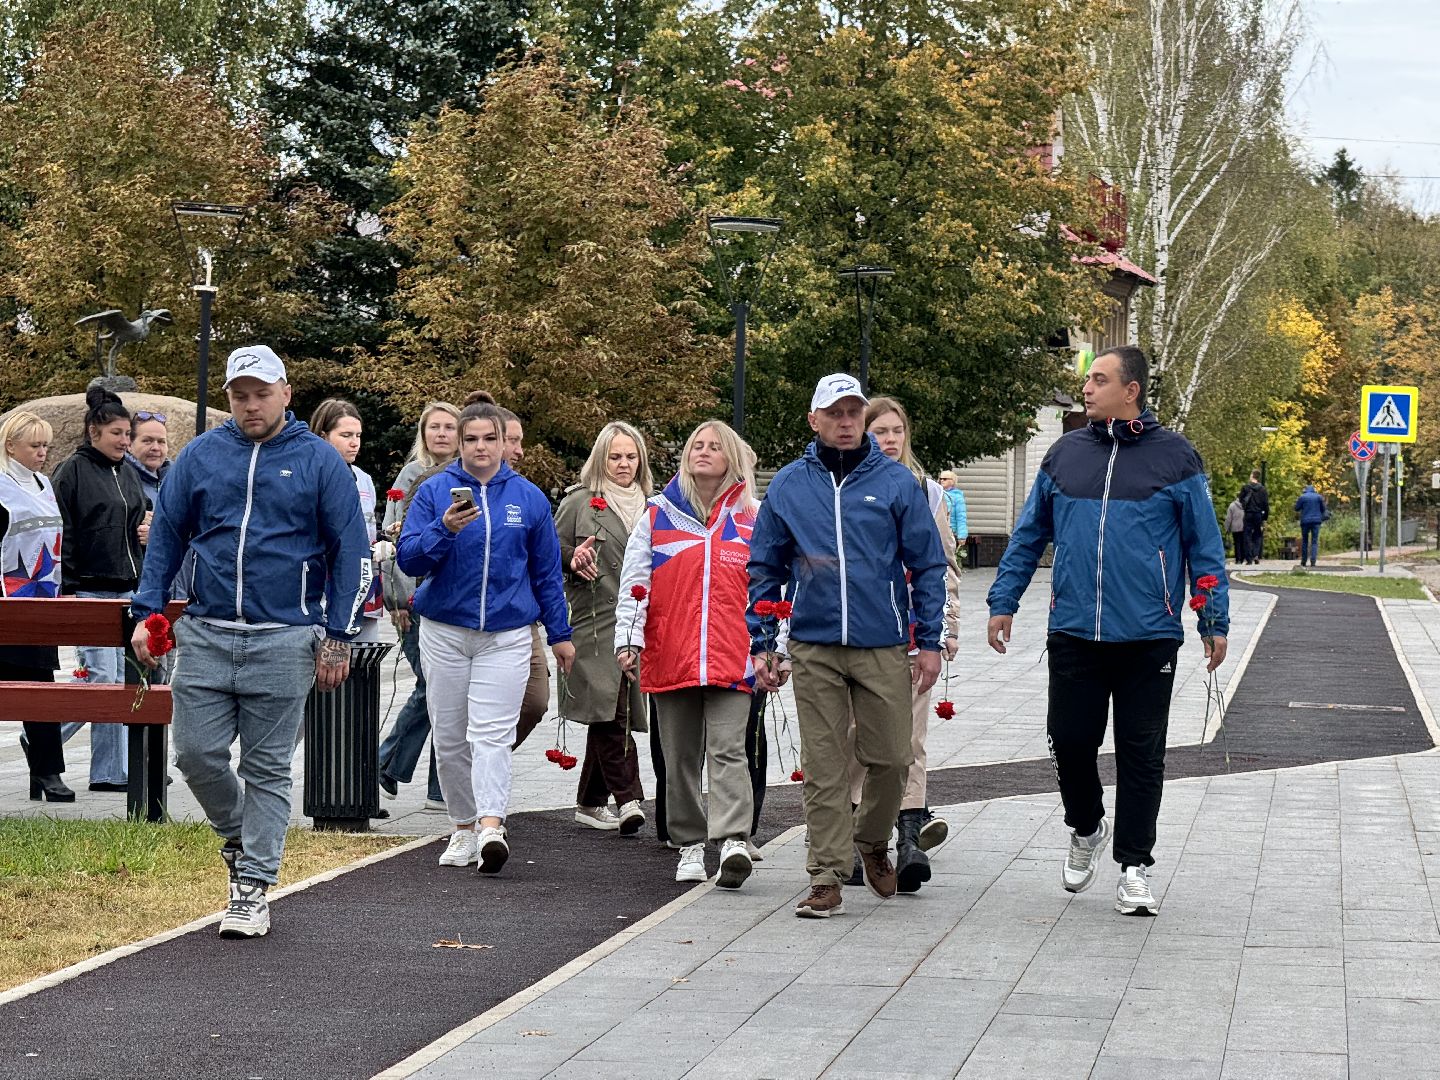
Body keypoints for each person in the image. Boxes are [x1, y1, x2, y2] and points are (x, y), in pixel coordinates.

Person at [131, 344, 372, 939]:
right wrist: (146, 610)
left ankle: (253, 886)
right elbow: (166, 535)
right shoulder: (202, 456)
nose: (250, 405)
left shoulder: (319, 461)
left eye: (261, 393)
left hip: (285, 636)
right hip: (207, 632)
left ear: (286, 393)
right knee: (195, 755)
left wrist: (338, 636)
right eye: (239, 395)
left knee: (266, 768)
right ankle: (240, 838)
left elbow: (352, 552)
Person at [986, 345, 1229, 917]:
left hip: (1149, 635)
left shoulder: (1177, 458)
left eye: (1098, 380)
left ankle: (1136, 866)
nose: (1087, 389)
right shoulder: (1064, 455)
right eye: (1086, 380)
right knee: (1070, 743)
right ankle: (1086, 825)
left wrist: (1211, 618)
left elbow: (1204, 547)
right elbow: (1027, 536)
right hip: (1074, 630)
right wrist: (1004, 600)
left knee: (1142, 754)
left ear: (1131, 390)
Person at [747, 373, 947, 919]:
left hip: (882, 641)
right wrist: (763, 644)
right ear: (814, 420)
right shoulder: (790, 484)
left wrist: (929, 640)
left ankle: (871, 838)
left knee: (892, 757)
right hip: (813, 644)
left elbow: (928, 564)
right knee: (824, 764)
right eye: (834, 413)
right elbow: (764, 568)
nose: (845, 421)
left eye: (853, 412)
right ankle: (826, 876)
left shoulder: (896, 482)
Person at [397, 400, 573, 873]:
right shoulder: (435, 491)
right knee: (451, 735)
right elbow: (410, 559)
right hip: (445, 632)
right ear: (459, 442)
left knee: (491, 734)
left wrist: (560, 634)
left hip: (508, 633)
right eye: (471, 438)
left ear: (504, 442)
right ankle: (462, 827)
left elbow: (546, 573)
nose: (480, 447)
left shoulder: (529, 498)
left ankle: (492, 826)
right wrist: (445, 529)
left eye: (489, 438)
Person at [615, 420, 763, 887]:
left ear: (731, 457)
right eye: (696, 445)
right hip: (670, 653)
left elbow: (770, 587)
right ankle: (691, 845)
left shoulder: (752, 516)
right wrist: (628, 638)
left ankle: (734, 839)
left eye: (714, 446)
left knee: (728, 750)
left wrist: (771, 648)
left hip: (732, 655)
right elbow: (635, 582)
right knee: (678, 756)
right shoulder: (657, 514)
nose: (703, 452)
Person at [857, 397, 962, 893]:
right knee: (858, 740)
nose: (890, 440)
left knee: (909, 740)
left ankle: (908, 840)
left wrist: (944, 632)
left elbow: (944, 570)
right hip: (858, 634)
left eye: (897, 430)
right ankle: (860, 843)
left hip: (912, 636)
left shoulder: (928, 494)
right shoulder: (849, 487)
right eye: (880, 431)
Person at [554, 422, 652, 835]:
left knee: (613, 710)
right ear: (601, 459)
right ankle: (629, 798)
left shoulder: (654, 504)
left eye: (631, 456)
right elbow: (547, 553)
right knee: (612, 711)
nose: (624, 464)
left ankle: (590, 802)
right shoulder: (580, 502)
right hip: (592, 623)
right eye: (615, 456)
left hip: (635, 623)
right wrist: (571, 559)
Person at [52, 388, 146, 792]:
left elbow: (134, 522)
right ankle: (105, 770)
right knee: (101, 680)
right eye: (117, 433)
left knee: (119, 681)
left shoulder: (127, 470)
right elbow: (63, 532)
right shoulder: (72, 471)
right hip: (89, 590)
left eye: (128, 433)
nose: (125, 441)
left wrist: (144, 533)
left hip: (128, 590)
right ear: (94, 431)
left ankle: (45, 737)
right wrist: (68, 588)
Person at [376, 401, 461, 810]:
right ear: (423, 433)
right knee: (432, 687)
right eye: (435, 427)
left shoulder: (464, 477)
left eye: (449, 427)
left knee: (443, 692)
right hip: (412, 599)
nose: (442, 434)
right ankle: (385, 761)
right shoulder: (413, 476)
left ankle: (436, 789)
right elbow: (395, 545)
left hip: (445, 600)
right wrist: (396, 599)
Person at [0, 411, 73, 802]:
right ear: (11, 446)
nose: (44, 452)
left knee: (42, 688)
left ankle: (48, 770)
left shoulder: (45, 483)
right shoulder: (0, 486)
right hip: (7, 600)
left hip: (42, 600)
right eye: (35, 445)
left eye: (46, 445)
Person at [310, 399, 385, 641]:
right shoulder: (308, 475)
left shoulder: (364, 479)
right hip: (320, 587)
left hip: (361, 585)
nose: (354, 443)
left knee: (361, 669)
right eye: (345, 435)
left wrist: (382, 541)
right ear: (323, 436)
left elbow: (367, 530)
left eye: (358, 435)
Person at [938, 469, 968, 563]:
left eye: (945, 479)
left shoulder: (957, 497)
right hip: (938, 529)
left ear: (952, 481)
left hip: (950, 531)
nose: (942, 480)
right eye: (940, 478)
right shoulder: (937, 493)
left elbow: (961, 516)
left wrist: (962, 536)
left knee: (948, 558)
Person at [1239, 470, 1269, 564]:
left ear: (1252, 476)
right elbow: (1266, 504)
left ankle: (1249, 558)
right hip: (1258, 514)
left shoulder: (1245, 488)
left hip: (1248, 514)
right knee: (1258, 535)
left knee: (1247, 536)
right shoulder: (1263, 489)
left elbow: (1241, 500)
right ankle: (1256, 554)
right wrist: (1265, 517)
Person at [1294, 484, 1327, 568]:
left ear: (1306, 490)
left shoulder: (1302, 497)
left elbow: (1296, 508)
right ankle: (1313, 561)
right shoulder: (1319, 497)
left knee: (1305, 541)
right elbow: (1323, 509)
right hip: (1316, 522)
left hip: (1305, 521)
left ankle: (1304, 561)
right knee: (1314, 541)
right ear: (1313, 490)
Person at [1224, 494, 1245, 565]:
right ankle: (1242, 558)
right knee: (1243, 543)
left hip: (1235, 527)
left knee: (1237, 543)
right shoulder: (1246, 505)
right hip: (1244, 527)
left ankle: (1238, 559)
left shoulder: (1232, 506)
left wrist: (1227, 528)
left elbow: (1228, 518)